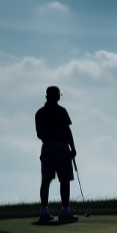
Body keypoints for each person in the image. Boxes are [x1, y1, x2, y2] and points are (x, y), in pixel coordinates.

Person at [35, 86, 77, 222]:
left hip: (46, 147)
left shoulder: (39, 113)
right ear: (57, 96)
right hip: (61, 146)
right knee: (64, 180)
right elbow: (67, 131)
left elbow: (39, 134)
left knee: (46, 180)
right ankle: (65, 211)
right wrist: (73, 148)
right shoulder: (61, 111)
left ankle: (44, 211)